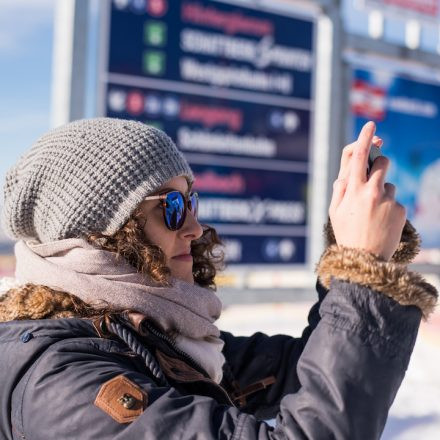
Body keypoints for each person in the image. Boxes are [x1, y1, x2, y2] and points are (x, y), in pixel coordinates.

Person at [0, 118, 437, 440]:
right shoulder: (61, 382)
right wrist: (362, 269)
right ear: (100, 232)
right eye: (172, 207)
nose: (193, 227)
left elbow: (307, 371)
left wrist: (353, 259)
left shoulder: (153, 339)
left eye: (193, 201)